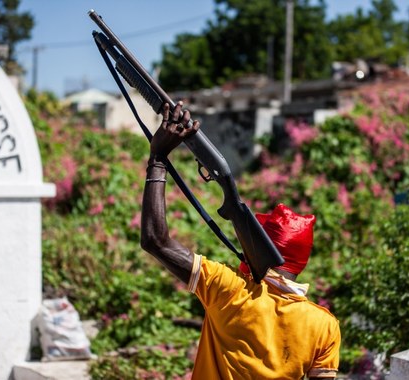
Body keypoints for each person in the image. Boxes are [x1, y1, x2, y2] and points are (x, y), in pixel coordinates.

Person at [140, 101, 341, 379]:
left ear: (258, 244)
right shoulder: (324, 325)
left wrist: (158, 159)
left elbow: (155, 241)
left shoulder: (228, 289)